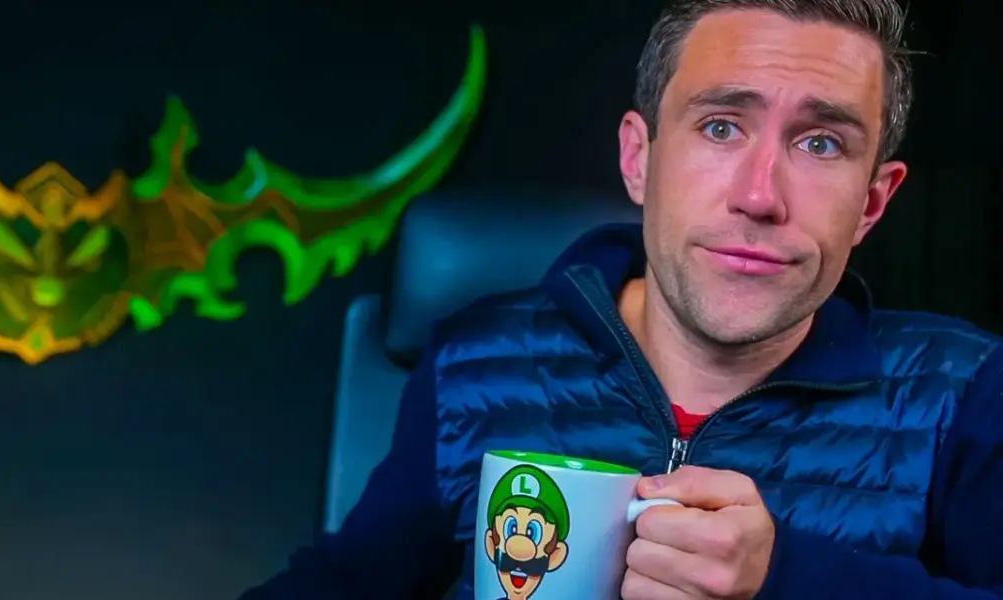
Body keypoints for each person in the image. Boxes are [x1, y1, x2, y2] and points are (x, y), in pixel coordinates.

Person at [242, 0, 1003, 598]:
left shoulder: (963, 394)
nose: (760, 195)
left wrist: (787, 577)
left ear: (872, 203)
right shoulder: (476, 362)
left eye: (821, 143)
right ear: (639, 160)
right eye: (721, 126)